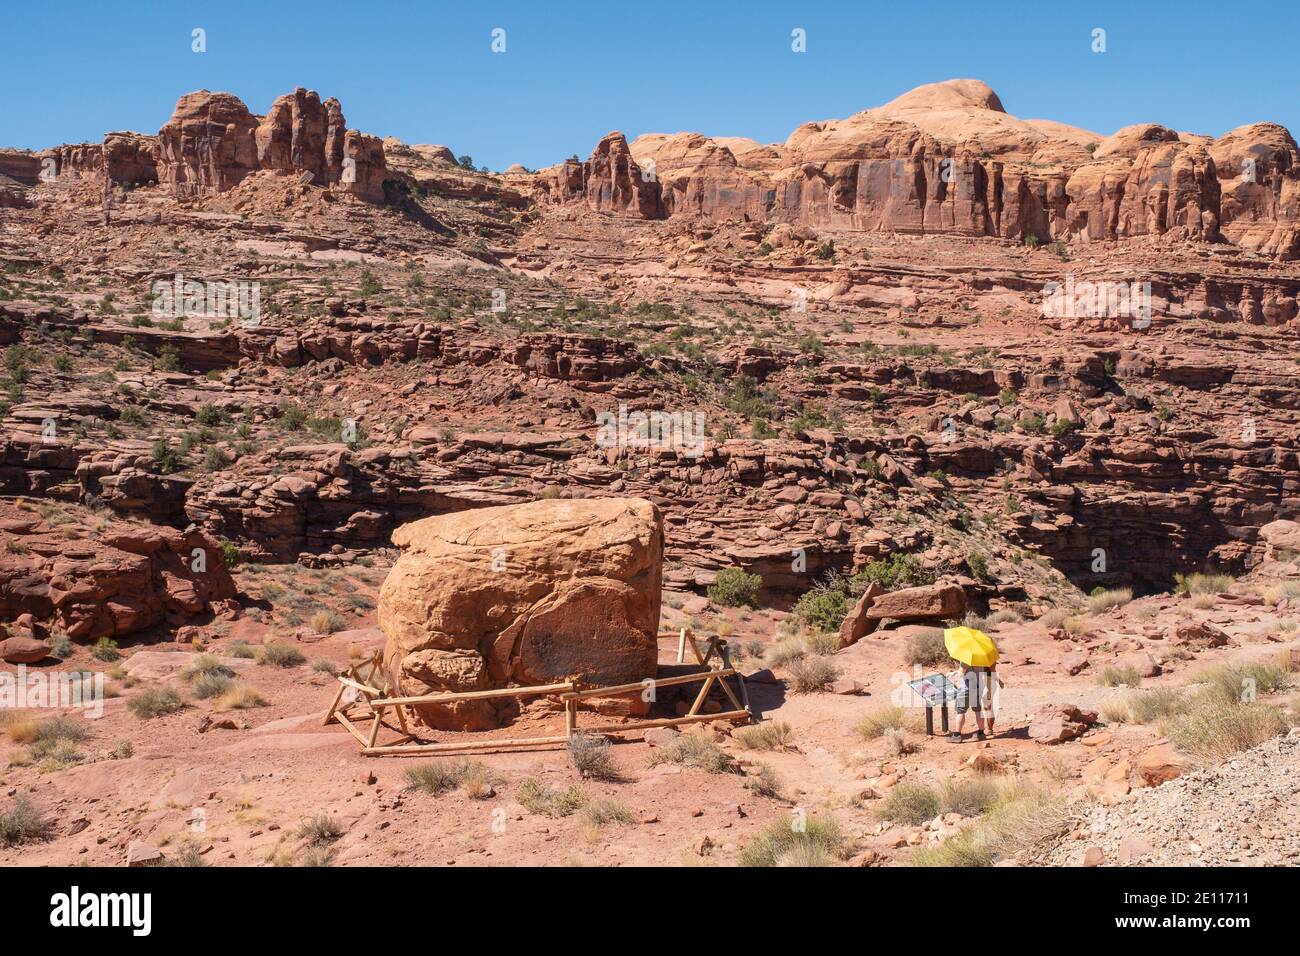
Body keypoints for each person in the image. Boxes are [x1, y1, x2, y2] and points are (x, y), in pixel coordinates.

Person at [947, 659, 998, 742]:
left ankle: (957, 735)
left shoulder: (966, 658)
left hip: (966, 689)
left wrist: (953, 674)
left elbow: (961, 673)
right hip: (977, 687)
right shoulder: (981, 659)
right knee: (978, 711)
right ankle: (981, 733)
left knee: (961, 711)